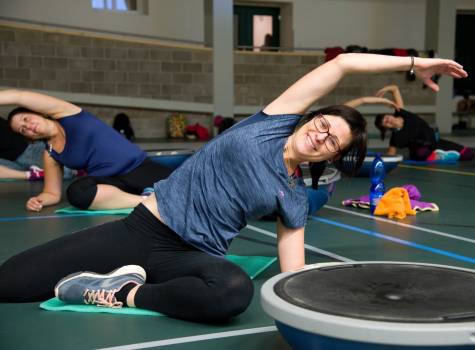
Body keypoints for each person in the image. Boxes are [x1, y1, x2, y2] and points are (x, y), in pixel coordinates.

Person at [0, 54, 467, 323]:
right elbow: (343, 64)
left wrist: (340, 309)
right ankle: (127, 279)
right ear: (309, 118)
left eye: (333, 141)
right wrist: (415, 62)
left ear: (329, 157)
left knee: (232, 290)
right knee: (9, 283)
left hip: (188, 256)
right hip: (143, 230)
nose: (321, 135)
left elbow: (293, 274)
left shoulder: (294, 196)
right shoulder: (268, 125)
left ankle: (120, 293)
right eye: (322, 123)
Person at [1, 91, 173, 212]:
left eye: (26, 119)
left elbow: (20, 96)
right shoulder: (50, 152)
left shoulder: (66, 113)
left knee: (188, 185)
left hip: (140, 168)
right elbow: (52, 193)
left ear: (38, 113)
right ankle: (146, 201)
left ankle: (153, 194)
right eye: (23, 130)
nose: (28, 127)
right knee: (76, 192)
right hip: (110, 182)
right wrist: (39, 200)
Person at [345, 84, 475, 161]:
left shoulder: (402, 112)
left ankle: (445, 156)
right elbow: (390, 155)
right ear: (386, 127)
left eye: (386, 117)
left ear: (390, 114)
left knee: (469, 154)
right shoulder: (395, 138)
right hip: (422, 151)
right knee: (421, 153)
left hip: (435, 141)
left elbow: (395, 88)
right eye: (385, 123)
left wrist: (385, 91)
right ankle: (439, 157)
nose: (388, 120)